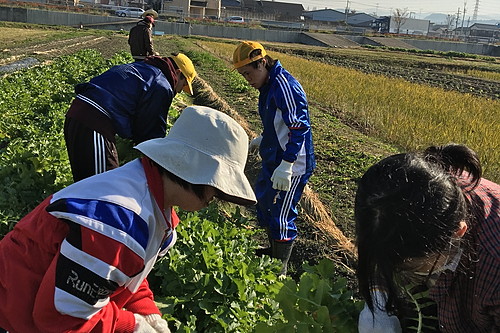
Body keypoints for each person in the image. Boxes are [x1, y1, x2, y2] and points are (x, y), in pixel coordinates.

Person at [0, 105, 257, 333]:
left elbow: (124, 272)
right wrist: (130, 326)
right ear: (194, 171)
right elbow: (60, 319)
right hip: (11, 318)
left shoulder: (150, 198)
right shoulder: (118, 224)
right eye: (218, 187)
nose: (218, 196)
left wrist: (147, 311)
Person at [355, 143, 500, 332]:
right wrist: (378, 299)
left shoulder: (494, 264)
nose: (394, 269)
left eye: (408, 265)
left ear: (457, 232)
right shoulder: (398, 194)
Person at [232, 41, 316, 275]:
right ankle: (272, 251)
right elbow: (278, 120)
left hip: (292, 163)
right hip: (274, 156)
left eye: (248, 73)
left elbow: (299, 128)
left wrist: (287, 165)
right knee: (265, 202)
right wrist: (264, 136)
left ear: (262, 63)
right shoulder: (267, 86)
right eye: (243, 75)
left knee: (281, 213)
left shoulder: (284, 86)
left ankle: (280, 269)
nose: (247, 79)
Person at [64, 53, 196, 182]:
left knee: (85, 182)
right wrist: (161, 163)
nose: (178, 91)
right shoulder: (161, 84)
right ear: (178, 73)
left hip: (79, 114)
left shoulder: (143, 68)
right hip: (93, 123)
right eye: (183, 85)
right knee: (102, 185)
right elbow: (151, 129)